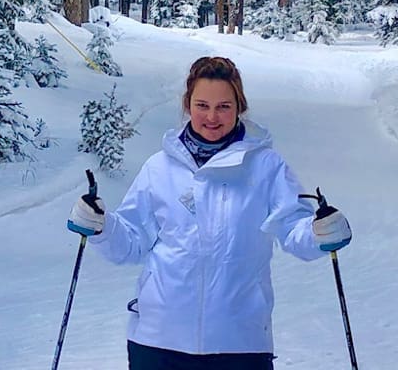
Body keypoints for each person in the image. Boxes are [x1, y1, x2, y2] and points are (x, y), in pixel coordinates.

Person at [66, 55, 352, 369]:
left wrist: (319, 232)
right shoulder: (158, 168)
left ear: (239, 106)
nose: (212, 117)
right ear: (188, 104)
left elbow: (293, 229)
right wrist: (100, 226)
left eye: (224, 107)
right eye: (203, 105)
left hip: (239, 342)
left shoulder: (266, 166)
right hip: (158, 342)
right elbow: (131, 243)